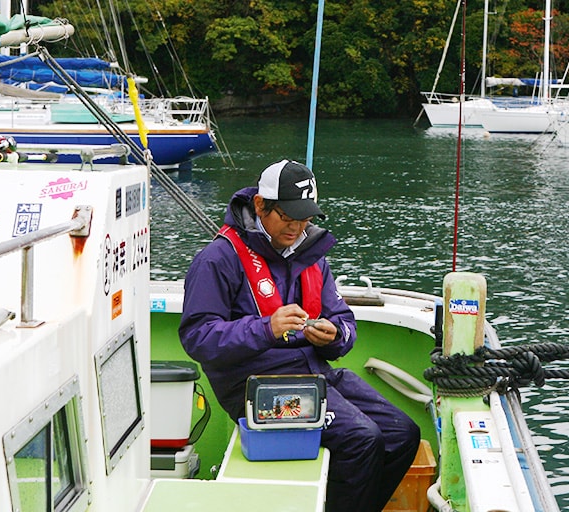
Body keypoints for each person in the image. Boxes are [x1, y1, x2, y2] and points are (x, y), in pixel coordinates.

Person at [178, 159, 420, 511]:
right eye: (288, 219)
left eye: (304, 219)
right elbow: (197, 337)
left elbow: (344, 321)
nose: (297, 228)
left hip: (313, 373)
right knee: (361, 439)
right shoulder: (218, 259)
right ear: (260, 206)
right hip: (255, 386)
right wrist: (266, 328)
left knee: (402, 433)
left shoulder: (311, 255)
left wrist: (335, 336)